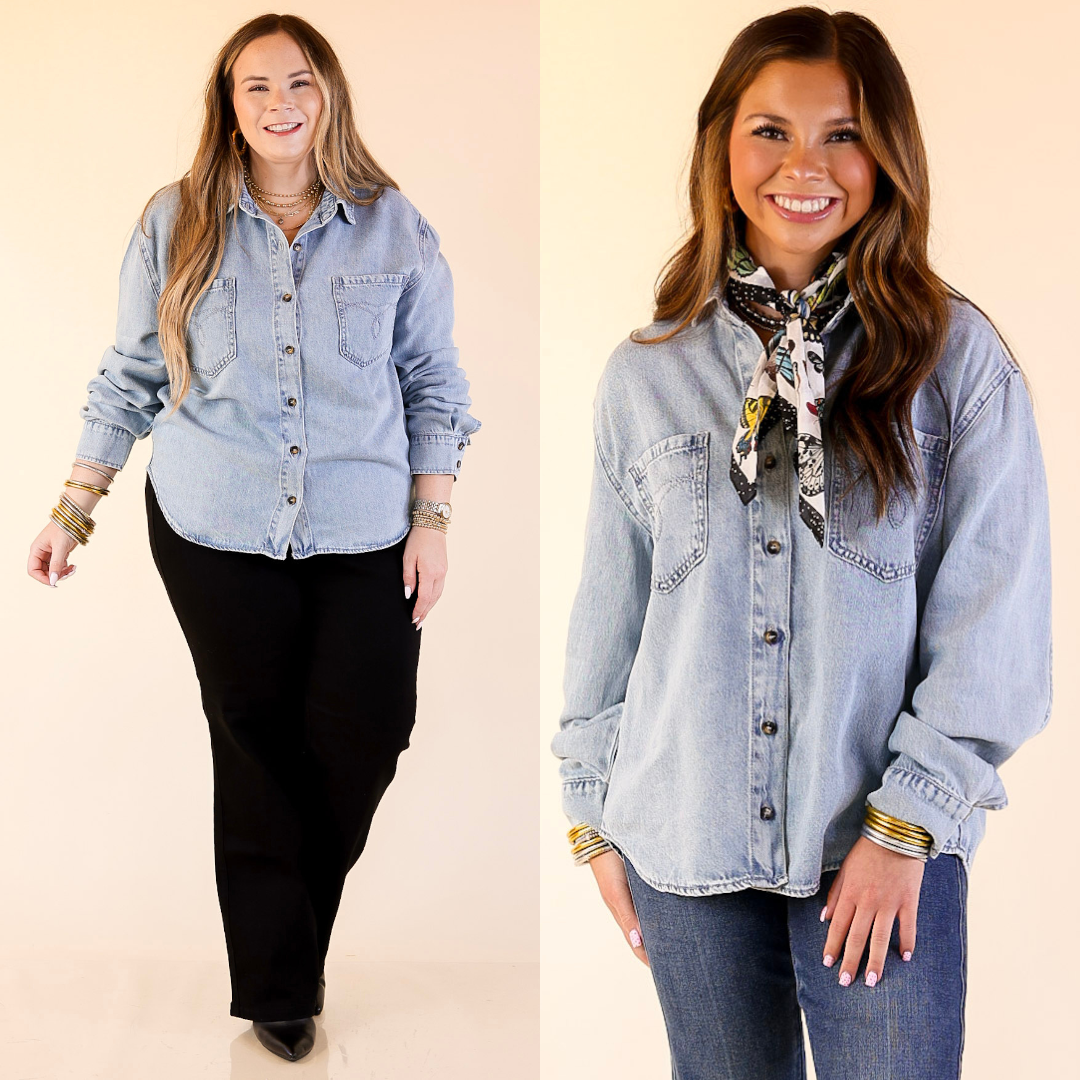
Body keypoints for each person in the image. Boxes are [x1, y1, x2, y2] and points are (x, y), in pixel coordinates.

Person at [551, 7, 1051, 1078]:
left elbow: (994, 630)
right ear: (722, 145)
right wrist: (592, 810)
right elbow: (612, 615)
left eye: (844, 134)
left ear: (889, 154)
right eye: (771, 131)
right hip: (683, 845)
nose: (804, 166)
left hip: (879, 843)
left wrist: (905, 825)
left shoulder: (957, 365)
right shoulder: (646, 373)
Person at [27, 13, 479, 1064]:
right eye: (256, 87)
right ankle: (280, 987)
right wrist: (73, 507)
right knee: (253, 742)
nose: (281, 104)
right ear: (229, 107)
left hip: (364, 525)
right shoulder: (174, 219)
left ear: (330, 95)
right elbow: (131, 374)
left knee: (368, 732)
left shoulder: (393, 225)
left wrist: (433, 520)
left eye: (300, 82)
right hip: (213, 522)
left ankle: (285, 943)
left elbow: (434, 381)